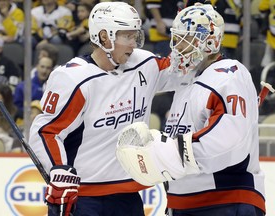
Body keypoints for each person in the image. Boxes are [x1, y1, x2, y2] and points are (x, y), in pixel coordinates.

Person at [28, 2, 179, 216]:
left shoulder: (144, 64)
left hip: (127, 195)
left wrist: (191, 39)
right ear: (104, 37)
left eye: (135, 36)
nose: (133, 44)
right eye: (127, 36)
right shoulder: (74, 78)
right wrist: (59, 170)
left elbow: (181, 72)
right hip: (83, 197)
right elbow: (46, 131)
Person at [116, 3, 265, 216]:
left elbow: (227, 142)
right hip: (184, 203)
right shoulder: (187, 81)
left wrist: (160, 152)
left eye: (183, 39)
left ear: (209, 42)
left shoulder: (229, 74)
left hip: (224, 200)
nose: (176, 47)